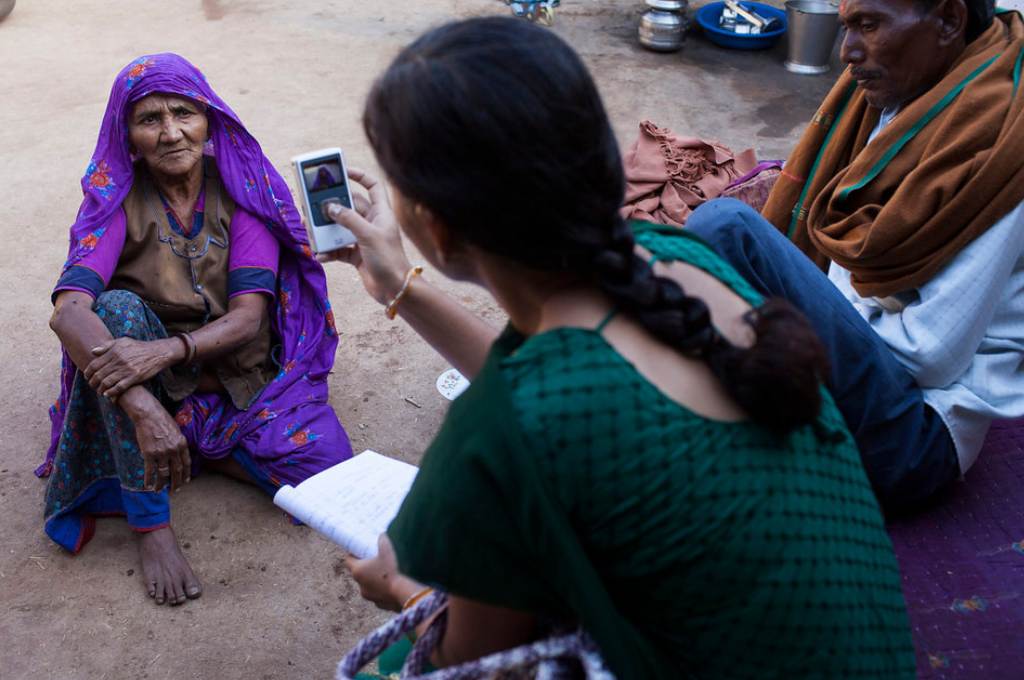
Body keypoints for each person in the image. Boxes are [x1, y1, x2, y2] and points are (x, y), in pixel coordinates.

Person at [327, 18, 915, 679]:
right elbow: (555, 385)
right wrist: (395, 286)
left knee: (397, 661)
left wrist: (400, 588)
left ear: (432, 223)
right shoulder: (679, 261)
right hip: (878, 659)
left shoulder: (504, 427)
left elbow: (466, 663)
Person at [685, 0, 1024, 513]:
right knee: (686, 274)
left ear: (950, 21)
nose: (847, 51)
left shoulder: (1001, 154)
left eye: (869, 25)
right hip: (873, 375)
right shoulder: (908, 99)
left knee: (723, 230)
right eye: (846, 27)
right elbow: (846, 277)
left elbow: (929, 354)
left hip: (914, 438)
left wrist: (796, 320)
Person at [42, 53, 353, 606]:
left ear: (208, 119)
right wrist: (140, 403)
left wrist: (163, 352)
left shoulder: (241, 188)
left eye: (183, 113)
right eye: (149, 119)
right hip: (143, 377)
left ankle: (187, 443)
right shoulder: (115, 199)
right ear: (128, 135)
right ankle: (151, 521)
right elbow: (69, 311)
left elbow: (247, 319)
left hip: (229, 372)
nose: (170, 133)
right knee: (110, 310)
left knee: (323, 468)